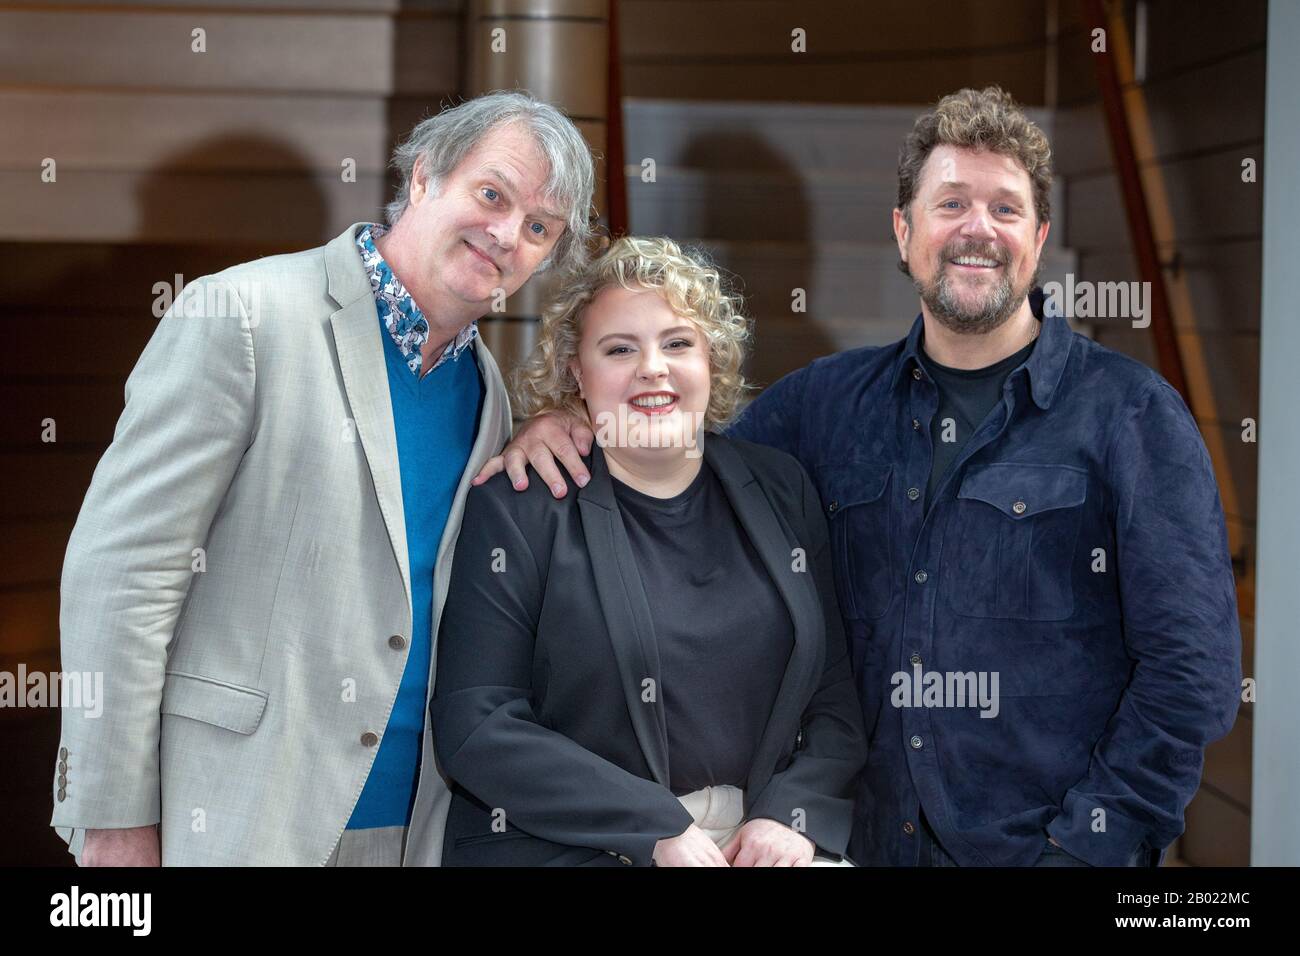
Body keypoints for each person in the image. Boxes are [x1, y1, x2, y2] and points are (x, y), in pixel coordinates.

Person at [473, 87, 1243, 867]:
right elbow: (670, 450)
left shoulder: (1133, 417)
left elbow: (1191, 678)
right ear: (905, 232)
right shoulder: (822, 407)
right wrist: (565, 416)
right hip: (863, 847)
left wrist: (1085, 848)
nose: (977, 228)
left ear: (1038, 238)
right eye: (950, 204)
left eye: (1005, 209)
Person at [50, 90, 595, 866]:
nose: (506, 234)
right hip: (235, 815)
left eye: (539, 227)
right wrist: (113, 817)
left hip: (417, 827)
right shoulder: (241, 315)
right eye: (492, 193)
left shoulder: (488, 395)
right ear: (424, 177)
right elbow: (120, 575)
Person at [430, 236, 867, 866]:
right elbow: (477, 721)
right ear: (576, 372)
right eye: (619, 349)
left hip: (754, 841)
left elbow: (833, 697)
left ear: (711, 358)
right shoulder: (520, 502)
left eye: (677, 343)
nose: (652, 368)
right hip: (582, 846)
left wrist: (793, 814)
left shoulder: (781, 488)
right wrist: (653, 828)